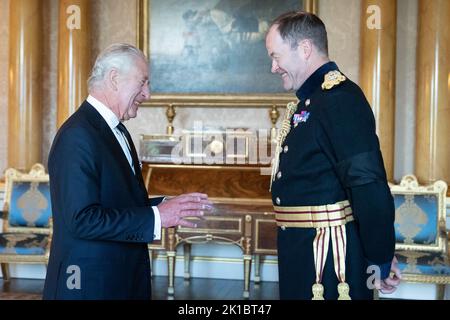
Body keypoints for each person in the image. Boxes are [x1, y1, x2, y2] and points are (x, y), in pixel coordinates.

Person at [43, 43, 212, 300]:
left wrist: (165, 206)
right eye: (143, 82)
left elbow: (117, 201)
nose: (148, 94)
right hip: (87, 285)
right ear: (114, 78)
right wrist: (157, 217)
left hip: (118, 280)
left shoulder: (117, 130)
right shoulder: (77, 136)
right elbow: (81, 219)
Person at [265, 11, 401, 300]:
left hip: (329, 257)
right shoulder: (311, 102)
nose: (273, 67)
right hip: (304, 250)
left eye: (276, 56)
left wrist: (380, 257)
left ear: (304, 49)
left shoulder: (339, 99)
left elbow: (367, 185)